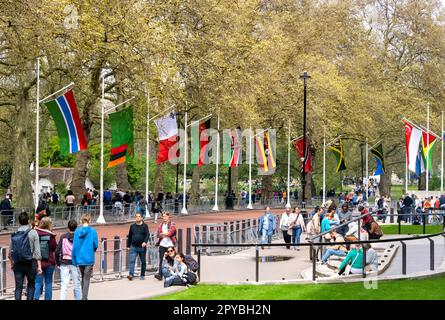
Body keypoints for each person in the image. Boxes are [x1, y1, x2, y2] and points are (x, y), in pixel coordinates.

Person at [9, 211, 42, 300]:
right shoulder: (33, 232)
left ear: (19, 221)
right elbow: (37, 251)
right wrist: (39, 266)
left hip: (18, 263)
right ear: (28, 220)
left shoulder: (14, 234)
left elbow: (10, 252)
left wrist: (12, 263)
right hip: (30, 262)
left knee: (18, 287)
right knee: (31, 285)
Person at [72, 214, 98, 300]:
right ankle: (84, 297)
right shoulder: (93, 231)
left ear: (81, 221)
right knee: (86, 278)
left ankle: (83, 296)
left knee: (83, 277)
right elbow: (95, 244)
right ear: (89, 221)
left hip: (80, 258)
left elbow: (74, 246)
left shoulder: (76, 231)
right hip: (89, 257)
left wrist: (74, 258)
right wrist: (92, 250)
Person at [55, 219, 81, 300]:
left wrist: (58, 262)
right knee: (77, 284)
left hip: (64, 262)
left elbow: (57, 251)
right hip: (75, 263)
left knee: (64, 284)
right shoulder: (79, 237)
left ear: (68, 227)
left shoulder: (63, 237)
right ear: (76, 227)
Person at [34, 217, 57, 300]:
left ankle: (36, 297)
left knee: (38, 282)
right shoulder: (51, 235)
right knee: (48, 282)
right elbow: (54, 248)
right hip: (49, 261)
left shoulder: (35, 233)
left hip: (38, 262)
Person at [127, 212, 150, 280]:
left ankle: (142, 275)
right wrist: (128, 246)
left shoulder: (145, 226)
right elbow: (130, 236)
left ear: (141, 217)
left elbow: (147, 235)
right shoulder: (132, 226)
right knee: (132, 261)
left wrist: (145, 242)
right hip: (134, 246)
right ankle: (131, 275)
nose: (138, 218)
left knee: (143, 261)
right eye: (136, 216)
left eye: (139, 216)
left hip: (142, 247)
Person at [154, 212, 177, 280]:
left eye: (165, 216)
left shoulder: (172, 224)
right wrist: (164, 234)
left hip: (170, 245)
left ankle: (173, 274)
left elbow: (170, 233)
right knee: (161, 260)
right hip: (162, 245)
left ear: (168, 216)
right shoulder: (160, 225)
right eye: (163, 216)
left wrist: (164, 233)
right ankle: (160, 275)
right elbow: (158, 234)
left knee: (171, 259)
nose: (164, 218)